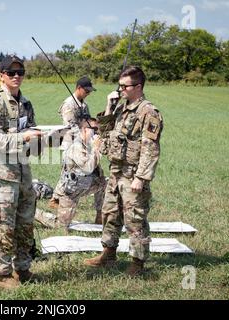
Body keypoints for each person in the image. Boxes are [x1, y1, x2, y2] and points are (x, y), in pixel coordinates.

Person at [83, 66, 163, 277]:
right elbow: (105, 132)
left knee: (135, 219)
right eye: (119, 86)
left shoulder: (148, 112)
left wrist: (141, 178)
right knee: (110, 214)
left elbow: (150, 148)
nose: (120, 90)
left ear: (138, 86)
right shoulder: (120, 107)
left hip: (132, 174)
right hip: (116, 171)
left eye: (124, 86)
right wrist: (109, 106)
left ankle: (138, 262)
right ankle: (108, 253)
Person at [0, 54, 44, 289]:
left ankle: (23, 269)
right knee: (3, 225)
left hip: (24, 173)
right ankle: (3, 275)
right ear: (1, 76)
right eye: (11, 73)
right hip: (2, 174)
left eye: (20, 73)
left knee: (25, 224)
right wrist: (22, 137)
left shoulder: (26, 103)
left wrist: (48, 139)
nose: (16, 76)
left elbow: (32, 134)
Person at [35, 118, 106, 229]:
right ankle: (34, 212)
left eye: (97, 130)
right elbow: (88, 168)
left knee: (105, 184)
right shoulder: (76, 147)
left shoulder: (88, 145)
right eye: (94, 129)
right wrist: (96, 149)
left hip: (85, 186)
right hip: (70, 192)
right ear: (84, 130)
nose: (97, 133)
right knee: (60, 226)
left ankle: (100, 216)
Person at [49, 76, 101, 223]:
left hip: (84, 142)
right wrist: (85, 135)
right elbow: (69, 126)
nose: (88, 93)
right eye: (86, 90)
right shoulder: (69, 104)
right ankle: (57, 198)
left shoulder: (84, 105)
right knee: (68, 173)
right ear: (78, 88)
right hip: (71, 143)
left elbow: (87, 121)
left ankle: (57, 198)